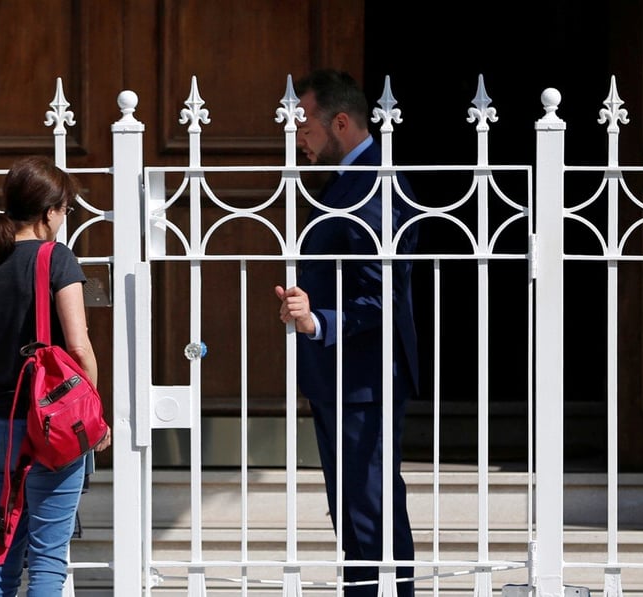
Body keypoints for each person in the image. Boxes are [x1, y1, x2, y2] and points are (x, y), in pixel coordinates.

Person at [274, 69, 420, 597]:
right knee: (354, 514)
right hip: (341, 379)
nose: (299, 142)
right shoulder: (347, 180)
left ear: (340, 122)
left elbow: (385, 293)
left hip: (365, 380)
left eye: (306, 129)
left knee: (370, 512)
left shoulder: (375, 180)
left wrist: (319, 322)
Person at [0, 155, 111, 596]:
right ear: (50, 212)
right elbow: (79, 346)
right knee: (47, 560)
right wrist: (92, 415)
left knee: (2, 553)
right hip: (49, 427)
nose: (66, 219)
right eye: (66, 210)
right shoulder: (56, 258)